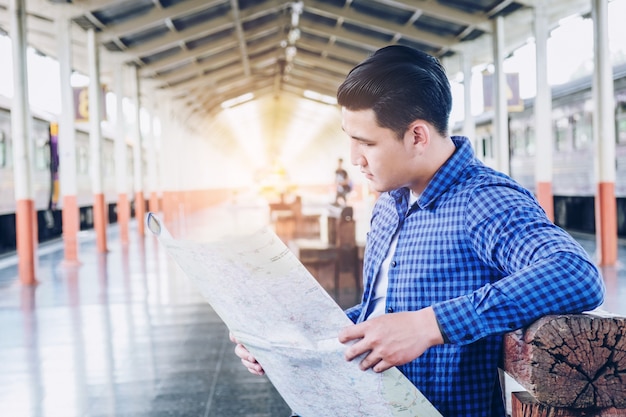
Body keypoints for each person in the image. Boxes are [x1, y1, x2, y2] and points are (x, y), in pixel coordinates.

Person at [231, 45, 605, 416]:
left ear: (417, 136)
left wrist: (429, 326)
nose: (354, 158)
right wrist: (286, 338)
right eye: (350, 138)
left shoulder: (483, 201)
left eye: (366, 142)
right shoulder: (389, 205)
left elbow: (575, 273)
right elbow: (383, 311)